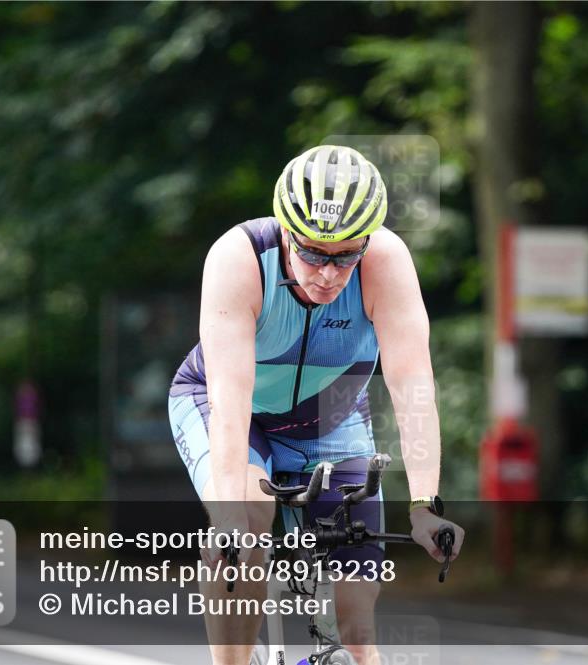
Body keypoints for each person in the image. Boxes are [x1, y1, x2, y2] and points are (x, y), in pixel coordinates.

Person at [168, 145, 465, 665]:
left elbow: (413, 390)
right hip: (232, 410)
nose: (329, 273)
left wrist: (423, 508)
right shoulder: (239, 260)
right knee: (245, 522)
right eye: (312, 253)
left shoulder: (387, 262)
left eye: (346, 255)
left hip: (331, 419)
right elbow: (231, 402)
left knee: (357, 626)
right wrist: (232, 518)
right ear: (285, 232)